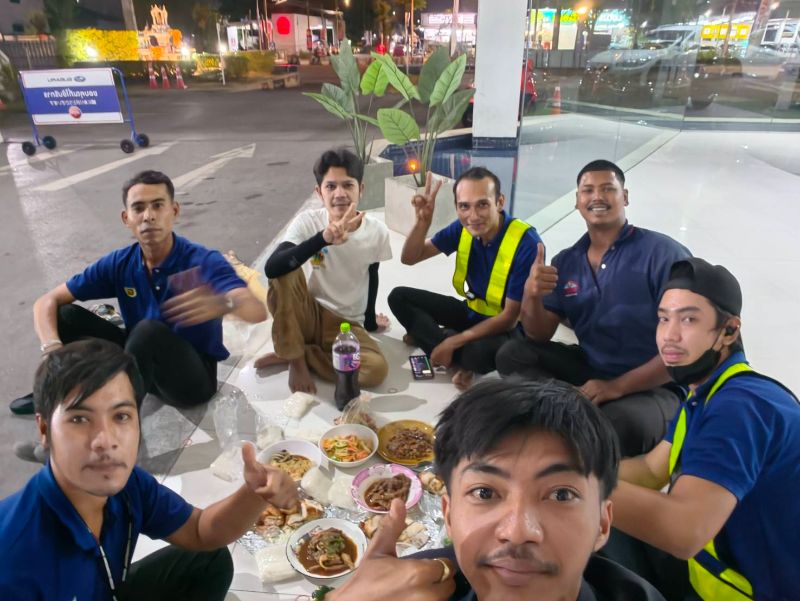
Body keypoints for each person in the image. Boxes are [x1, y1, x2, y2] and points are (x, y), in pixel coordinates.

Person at [0, 339, 299, 600]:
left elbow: (199, 530)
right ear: (43, 428)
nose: (106, 440)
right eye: (79, 419)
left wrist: (255, 493)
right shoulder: (13, 559)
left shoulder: (128, 485)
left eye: (121, 416)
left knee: (209, 561)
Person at [323, 380, 665, 601]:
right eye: (485, 493)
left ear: (602, 524)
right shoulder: (411, 586)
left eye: (561, 494)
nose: (517, 532)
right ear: (448, 515)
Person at [606, 258, 800, 601]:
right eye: (663, 318)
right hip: (713, 572)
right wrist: (583, 467)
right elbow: (652, 470)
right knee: (603, 524)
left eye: (689, 319)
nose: (669, 335)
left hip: (754, 591)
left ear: (729, 331)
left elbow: (684, 530)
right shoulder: (707, 393)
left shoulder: (742, 406)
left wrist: (565, 485)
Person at [10, 170, 267, 418]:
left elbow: (256, 310)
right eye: (139, 208)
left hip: (191, 380)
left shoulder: (202, 260)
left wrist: (224, 302)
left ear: (174, 211)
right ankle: (61, 390)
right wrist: (52, 351)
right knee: (65, 315)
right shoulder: (120, 263)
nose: (148, 216)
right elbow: (46, 301)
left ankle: (117, 422)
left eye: (158, 206)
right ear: (126, 218)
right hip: (139, 361)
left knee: (147, 331)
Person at [496, 159, 691, 457]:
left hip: (656, 384)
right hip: (591, 369)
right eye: (588, 190)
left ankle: (568, 414)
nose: (597, 196)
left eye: (608, 189)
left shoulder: (663, 254)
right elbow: (538, 334)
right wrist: (530, 295)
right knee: (512, 354)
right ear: (577, 201)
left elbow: (687, 349)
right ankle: (576, 412)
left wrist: (617, 387)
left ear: (625, 197)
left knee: (620, 427)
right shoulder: (567, 261)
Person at [388, 168, 541, 390]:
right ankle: (452, 352)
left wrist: (454, 341)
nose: (473, 216)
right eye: (464, 206)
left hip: (507, 328)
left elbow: (509, 318)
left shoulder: (526, 242)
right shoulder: (462, 228)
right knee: (398, 297)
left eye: (482, 204)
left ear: (499, 202)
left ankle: (444, 345)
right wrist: (422, 223)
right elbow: (409, 258)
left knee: (476, 354)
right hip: (470, 311)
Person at [254, 148, 392, 394]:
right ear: (319, 192)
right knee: (285, 272)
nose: (339, 194)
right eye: (331, 186)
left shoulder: (377, 231)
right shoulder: (308, 222)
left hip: (345, 324)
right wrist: (323, 238)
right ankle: (296, 361)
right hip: (307, 313)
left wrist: (370, 321)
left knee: (376, 370)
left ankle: (298, 352)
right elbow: (272, 268)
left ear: (361, 189)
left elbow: (372, 274)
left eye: (347, 185)